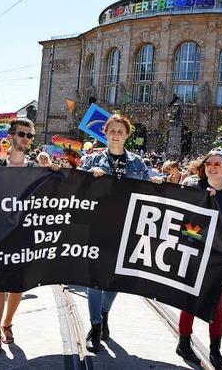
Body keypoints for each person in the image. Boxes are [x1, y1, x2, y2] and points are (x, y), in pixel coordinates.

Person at [79, 114, 151, 353]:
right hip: (97, 225)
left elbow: (149, 191)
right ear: (105, 133)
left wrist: (162, 181)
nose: (116, 135)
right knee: (95, 278)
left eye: (121, 131)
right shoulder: (91, 160)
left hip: (127, 227)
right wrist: (89, 179)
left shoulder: (138, 163)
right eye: (112, 131)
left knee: (117, 277)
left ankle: (104, 312)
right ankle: (95, 327)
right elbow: (76, 189)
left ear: (127, 134)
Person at [175, 148, 222, 369]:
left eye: (217, 163)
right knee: (190, 300)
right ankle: (184, 342)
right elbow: (185, 222)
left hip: (220, 259)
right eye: (208, 163)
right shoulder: (195, 187)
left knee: (217, 305)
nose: (212, 167)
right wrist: (202, 201)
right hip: (196, 253)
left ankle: (215, 349)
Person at [0, 118, 39, 353]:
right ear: (11, 136)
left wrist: (58, 172)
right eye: (21, 134)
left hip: (24, 237)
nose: (25, 139)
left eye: (29, 136)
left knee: (17, 287)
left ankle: (8, 322)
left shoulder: (35, 170)